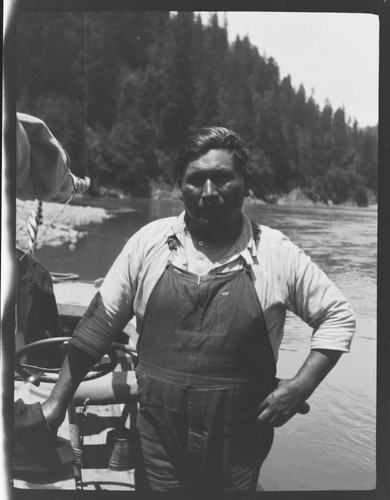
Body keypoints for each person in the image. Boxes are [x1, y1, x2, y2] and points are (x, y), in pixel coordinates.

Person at [40, 127, 355, 493]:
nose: (208, 193)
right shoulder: (148, 243)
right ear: (179, 186)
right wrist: (55, 403)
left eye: (222, 178)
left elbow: (338, 315)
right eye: (195, 180)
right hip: (158, 442)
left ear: (245, 183)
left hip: (239, 446)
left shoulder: (276, 253)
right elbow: (98, 325)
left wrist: (300, 386)